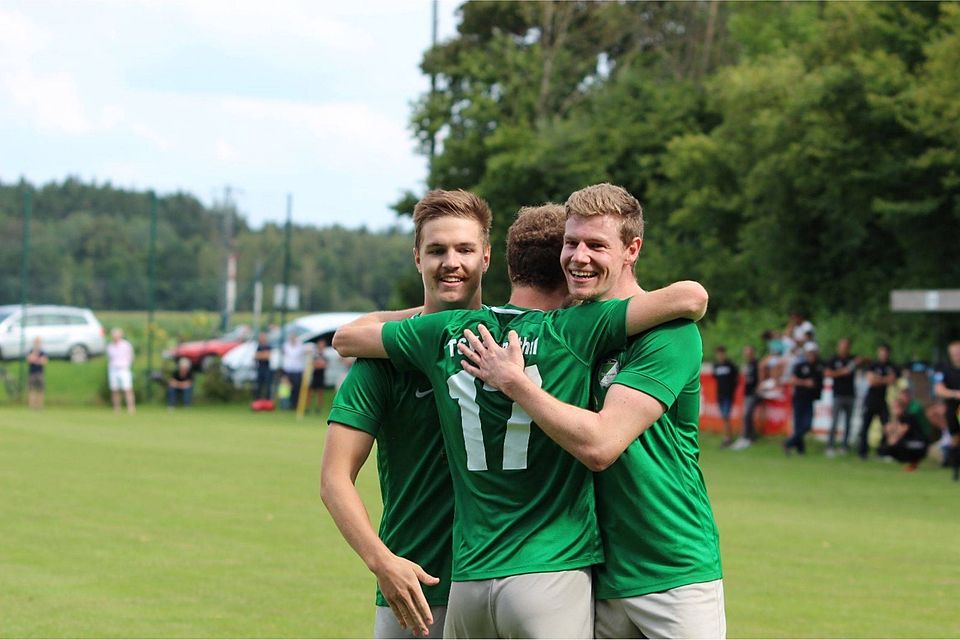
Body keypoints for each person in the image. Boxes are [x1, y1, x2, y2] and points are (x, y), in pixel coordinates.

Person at [333, 195, 709, 639]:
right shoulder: (572, 331)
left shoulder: (447, 335)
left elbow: (347, 337)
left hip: (468, 574)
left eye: (464, 250)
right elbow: (689, 296)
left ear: (499, 263)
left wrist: (429, 324)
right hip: (548, 569)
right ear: (564, 272)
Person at [449, 183, 723, 639]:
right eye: (571, 243)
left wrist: (515, 383)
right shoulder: (571, 330)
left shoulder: (668, 334)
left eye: (596, 245)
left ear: (631, 249)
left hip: (672, 567)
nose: (579, 257)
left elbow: (600, 445)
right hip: (598, 571)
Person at [322, 189, 492, 638]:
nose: (450, 262)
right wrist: (383, 563)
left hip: (506, 581)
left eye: (464, 249)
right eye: (436, 250)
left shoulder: (514, 339)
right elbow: (334, 478)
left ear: (487, 257)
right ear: (417, 257)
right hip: (417, 587)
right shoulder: (381, 361)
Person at [858, 343, 899, 460]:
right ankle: (862, 452)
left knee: (887, 426)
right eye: (881, 352)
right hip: (871, 400)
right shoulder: (873, 365)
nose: (883, 355)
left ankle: (883, 451)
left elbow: (892, 380)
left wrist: (879, 379)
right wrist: (884, 379)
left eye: (885, 352)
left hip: (882, 401)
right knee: (865, 426)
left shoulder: (891, 366)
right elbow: (871, 381)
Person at [785, 342, 824, 456]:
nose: (812, 355)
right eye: (810, 353)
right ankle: (800, 450)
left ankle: (789, 443)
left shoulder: (818, 366)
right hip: (799, 397)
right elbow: (792, 380)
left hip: (810, 398)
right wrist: (805, 382)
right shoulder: (800, 365)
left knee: (807, 425)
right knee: (798, 425)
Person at [878, 389, 929, 471]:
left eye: (895, 408)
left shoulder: (907, 417)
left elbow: (900, 433)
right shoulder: (895, 419)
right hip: (909, 441)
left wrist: (892, 432)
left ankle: (913, 462)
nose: (893, 410)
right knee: (885, 447)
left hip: (920, 443)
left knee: (897, 444)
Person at [824, 337, 858, 457]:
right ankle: (830, 445)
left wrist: (857, 362)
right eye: (842, 346)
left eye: (846, 346)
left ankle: (845, 446)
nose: (844, 348)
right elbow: (827, 373)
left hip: (850, 395)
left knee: (848, 423)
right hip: (838, 394)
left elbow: (866, 360)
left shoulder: (852, 359)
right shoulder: (834, 360)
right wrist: (842, 372)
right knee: (834, 421)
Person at [933, 340, 960, 481]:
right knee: (955, 439)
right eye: (954, 353)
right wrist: (955, 394)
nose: (957, 355)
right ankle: (955, 472)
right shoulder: (943, 369)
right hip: (953, 408)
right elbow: (938, 389)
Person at [731, 345, 760, 449]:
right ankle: (749, 437)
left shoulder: (756, 364)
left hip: (753, 393)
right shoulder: (747, 364)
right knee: (746, 416)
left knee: (747, 415)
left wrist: (758, 388)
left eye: (748, 352)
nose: (747, 355)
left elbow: (760, 377)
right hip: (747, 393)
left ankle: (746, 437)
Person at [712, 346, 738, 447]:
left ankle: (728, 438)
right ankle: (727, 436)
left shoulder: (730, 365)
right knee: (724, 417)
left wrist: (732, 390)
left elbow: (736, 379)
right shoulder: (716, 366)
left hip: (728, 395)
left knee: (726, 417)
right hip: (720, 395)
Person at [107, 327, 135, 415]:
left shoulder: (126, 345)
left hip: (124, 368)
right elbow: (110, 358)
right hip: (113, 369)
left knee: (127, 389)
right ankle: (116, 408)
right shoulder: (110, 346)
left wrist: (126, 365)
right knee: (115, 389)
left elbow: (131, 357)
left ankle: (131, 408)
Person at [281, 333, 309, 410]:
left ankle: (295, 404)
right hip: (288, 369)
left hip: (297, 370)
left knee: (296, 388)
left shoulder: (300, 345)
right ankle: (286, 404)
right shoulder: (286, 345)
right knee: (287, 388)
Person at [307, 339, 328, 415]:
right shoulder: (314, 355)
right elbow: (313, 364)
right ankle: (308, 407)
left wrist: (318, 364)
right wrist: (319, 364)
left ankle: (318, 408)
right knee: (310, 393)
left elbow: (325, 365)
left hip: (321, 376)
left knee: (320, 393)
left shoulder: (325, 355)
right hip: (314, 376)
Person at [26, 337, 48, 410]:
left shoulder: (43, 352)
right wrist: (37, 359)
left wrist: (35, 359)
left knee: (40, 390)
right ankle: (32, 406)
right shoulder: (31, 351)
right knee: (31, 390)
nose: (37, 344)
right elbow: (29, 359)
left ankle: (39, 406)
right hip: (32, 373)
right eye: (36, 342)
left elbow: (44, 361)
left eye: (38, 342)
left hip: (40, 373)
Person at [253, 332, 273, 401]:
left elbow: (267, 356)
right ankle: (257, 400)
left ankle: (267, 400)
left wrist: (260, 355)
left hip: (267, 368)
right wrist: (262, 355)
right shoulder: (258, 346)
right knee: (259, 385)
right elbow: (255, 356)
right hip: (260, 368)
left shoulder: (268, 346)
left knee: (267, 385)